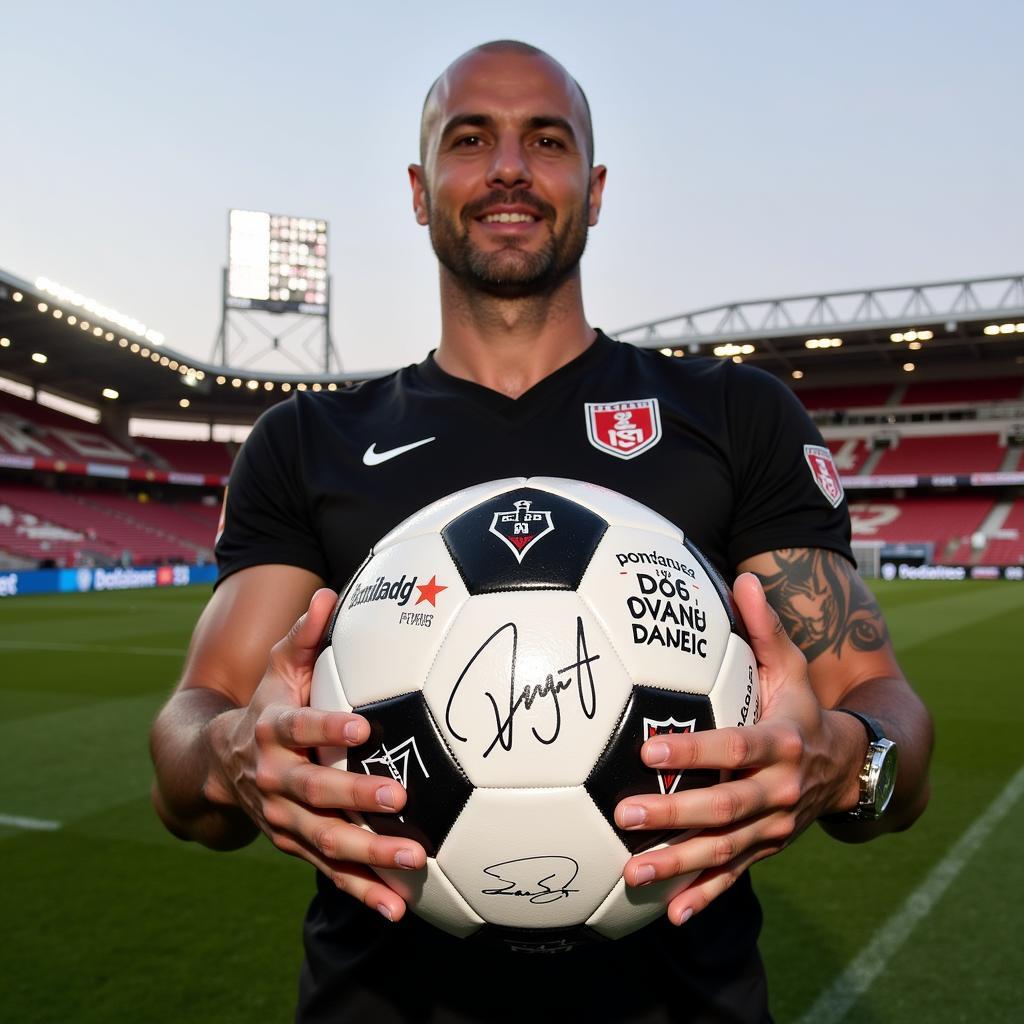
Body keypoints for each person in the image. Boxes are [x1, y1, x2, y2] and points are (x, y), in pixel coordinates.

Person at [150, 40, 933, 1023]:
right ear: (419, 186)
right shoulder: (307, 443)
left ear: (594, 187)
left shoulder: (735, 417)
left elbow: (881, 702)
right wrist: (232, 754)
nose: (509, 166)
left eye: (546, 139)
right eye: (470, 137)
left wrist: (842, 761)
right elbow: (188, 735)